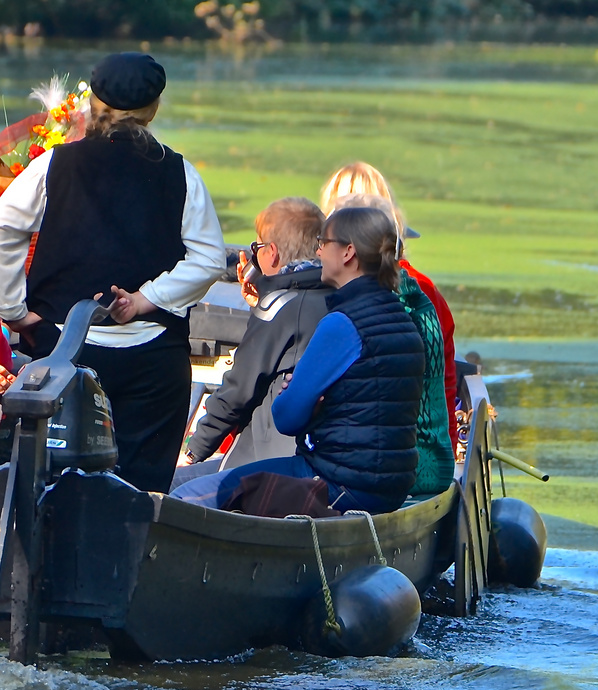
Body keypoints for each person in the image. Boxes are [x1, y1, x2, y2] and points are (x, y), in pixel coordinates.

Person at [0, 51, 225, 493]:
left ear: (93, 103)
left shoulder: (55, 164)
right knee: (140, 495)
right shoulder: (180, 173)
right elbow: (208, 257)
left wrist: (13, 312)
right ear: (152, 111)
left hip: (66, 352)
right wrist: (146, 298)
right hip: (152, 361)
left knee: (52, 489)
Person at [198, 205, 424, 514]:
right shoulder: (402, 318)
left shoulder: (342, 324)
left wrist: (305, 399)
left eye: (324, 242)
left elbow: (287, 418)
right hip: (389, 488)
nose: (317, 251)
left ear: (347, 253)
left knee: (191, 494)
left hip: (337, 485)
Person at [320, 162, 461, 449]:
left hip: (361, 454)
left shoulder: (328, 293)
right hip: (430, 448)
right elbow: (443, 378)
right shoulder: (426, 292)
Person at [183, 196, 327, 470]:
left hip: (264, 465)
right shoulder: (334, 296)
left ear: (271, 252)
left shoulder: (279, 307)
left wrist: (193, 451)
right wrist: (257, 308)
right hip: (317, 460)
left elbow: (237, 392)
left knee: (175, 489)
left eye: (256, 246)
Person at [334, 193, 454, 496]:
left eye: (325, 243)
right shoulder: (420, 297)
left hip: (389, 472)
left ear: (350, 251)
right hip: (435, 460)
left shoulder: (360, 312)